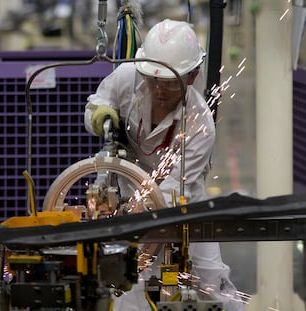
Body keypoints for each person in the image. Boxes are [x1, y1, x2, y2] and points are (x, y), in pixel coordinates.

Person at [84, 19, 246, 311]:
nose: (158, 89)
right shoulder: (127, 77)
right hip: (128, 190)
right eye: (152, 79)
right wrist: (101, 116)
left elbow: (171, 186)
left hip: (183, 200)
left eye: (169, 83)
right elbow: (97, 102)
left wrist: (136, 210)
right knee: (128, 285)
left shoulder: (200, 126)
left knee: (211, 284)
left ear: (192, 76)